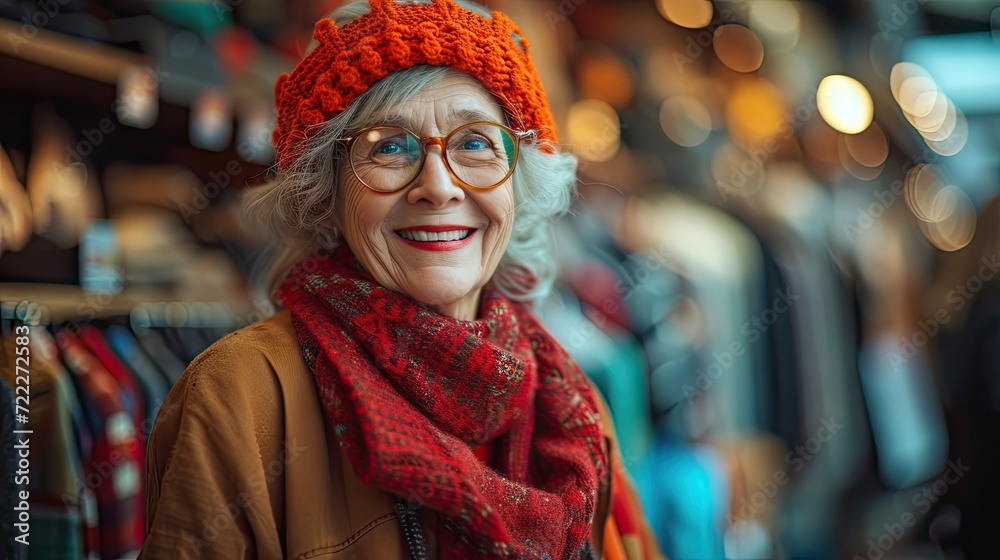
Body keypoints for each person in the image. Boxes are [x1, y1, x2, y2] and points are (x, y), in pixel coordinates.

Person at [139, 0, 662, 558]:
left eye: (475, 142)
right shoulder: (242, 397)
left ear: (519, 184)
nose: (438, 187)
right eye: (388, 146)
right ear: (327, 194)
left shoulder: (569, 407)